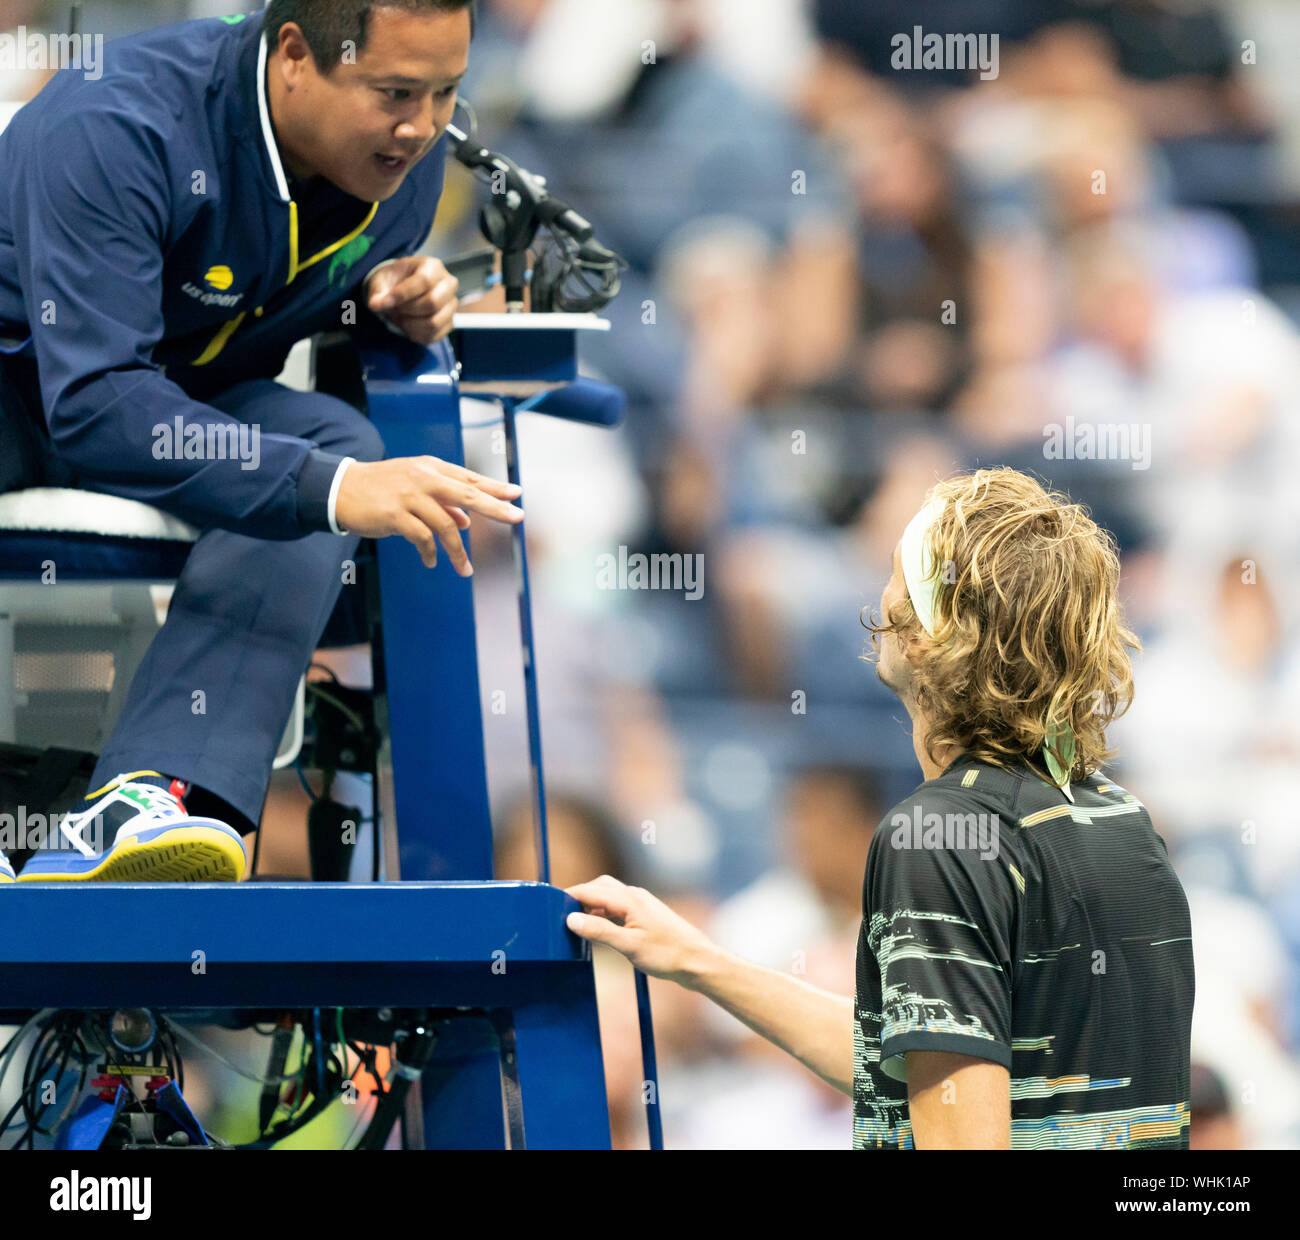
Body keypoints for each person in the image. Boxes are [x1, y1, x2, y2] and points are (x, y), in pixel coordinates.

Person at [0, 0, 525, 884]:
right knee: (329, 475)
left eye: (446, 93)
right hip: (28, 395)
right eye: (395, 91)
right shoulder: (117, 123)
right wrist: (325, 490)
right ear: (293, 57)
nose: (423, 126)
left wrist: (384, 300)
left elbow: (290, 304)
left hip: (179, 407)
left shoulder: (400, 164)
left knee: (337, 436)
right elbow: (94, 402)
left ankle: (153, 793)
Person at [566, 467, 1195, 1149]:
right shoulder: (1124, 824)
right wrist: (699, 962)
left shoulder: (937, 839)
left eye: (895, 573)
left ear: (927, 635)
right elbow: (932, 1062)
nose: (879, 595)